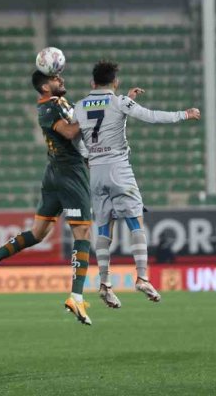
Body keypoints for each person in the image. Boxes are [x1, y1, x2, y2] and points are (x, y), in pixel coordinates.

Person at [73, 60, 200, 309]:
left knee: (103, 228)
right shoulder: (120, 101)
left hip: (95, 171)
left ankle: (104, 283)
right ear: (115, 82)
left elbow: (76, 140)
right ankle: (142, 277)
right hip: (118, 169)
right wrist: (183, 114)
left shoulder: (79, 106)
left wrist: (88, 156)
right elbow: (150, 116)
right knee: (135, 221)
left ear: (92, 83)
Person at [0, 70, 95, 325]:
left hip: (54, 173)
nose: (61, 79)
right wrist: (90, 117)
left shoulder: (59, 103)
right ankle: (76, 296)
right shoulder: (47, 109)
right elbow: (70, 132)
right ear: (44, 88)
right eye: (55, 79)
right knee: (82, 233)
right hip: (69, 175)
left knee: (39, 233)